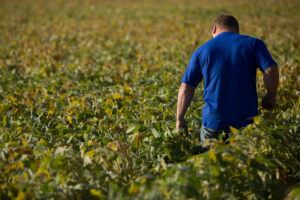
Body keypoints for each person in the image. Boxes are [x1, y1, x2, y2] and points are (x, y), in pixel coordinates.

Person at [176, 14, 279, 152]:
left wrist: (180, 118)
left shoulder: (202, 50)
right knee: (244, 167)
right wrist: (270, 97)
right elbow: (271, 69)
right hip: (246, 122)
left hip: (213, 123)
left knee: (209, 167)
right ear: (237, 30)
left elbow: (186, 86)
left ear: (213, 29)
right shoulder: (253, 44)